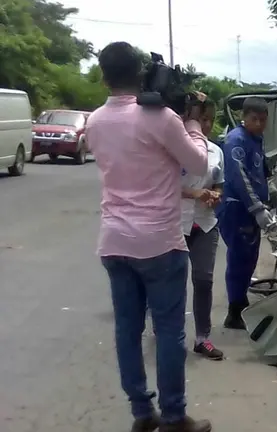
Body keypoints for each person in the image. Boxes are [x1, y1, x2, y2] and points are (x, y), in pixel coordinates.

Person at [86, 41, 212, 432]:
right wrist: (191, 122)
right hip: (158, 241)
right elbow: (198, 165)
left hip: (114, 241)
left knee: (127, 330)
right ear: (140, 74)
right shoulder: (159, 118)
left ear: (104, 77)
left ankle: (142, 413)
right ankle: (174, 416)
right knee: (170, 331)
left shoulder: (94, 121)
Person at [217, 97, 274, 330]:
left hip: (248, 208)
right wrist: (257, 207)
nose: (259, 123)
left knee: (250, 257)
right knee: (239, 257)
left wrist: (268, 194)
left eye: (263, 120)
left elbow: (258, 173)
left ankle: (240, 302)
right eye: (254, 119)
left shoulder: (254, 139)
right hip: (236, 208)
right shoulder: (236, 141)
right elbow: (240, 178)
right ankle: (234, 310)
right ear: (244, 117)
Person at [180, 98, 225, 360]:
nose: (205, 125)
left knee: (204, 281)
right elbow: (164, 185)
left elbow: (219, 182)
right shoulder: (175, 148)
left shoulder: (216, 151)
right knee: (173, 282)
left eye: (209, 120)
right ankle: (168, 334)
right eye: (200, 120)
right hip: (177, 223)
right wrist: (196, 192)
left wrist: (214, 195)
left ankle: (202, 338)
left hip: (205, 224)